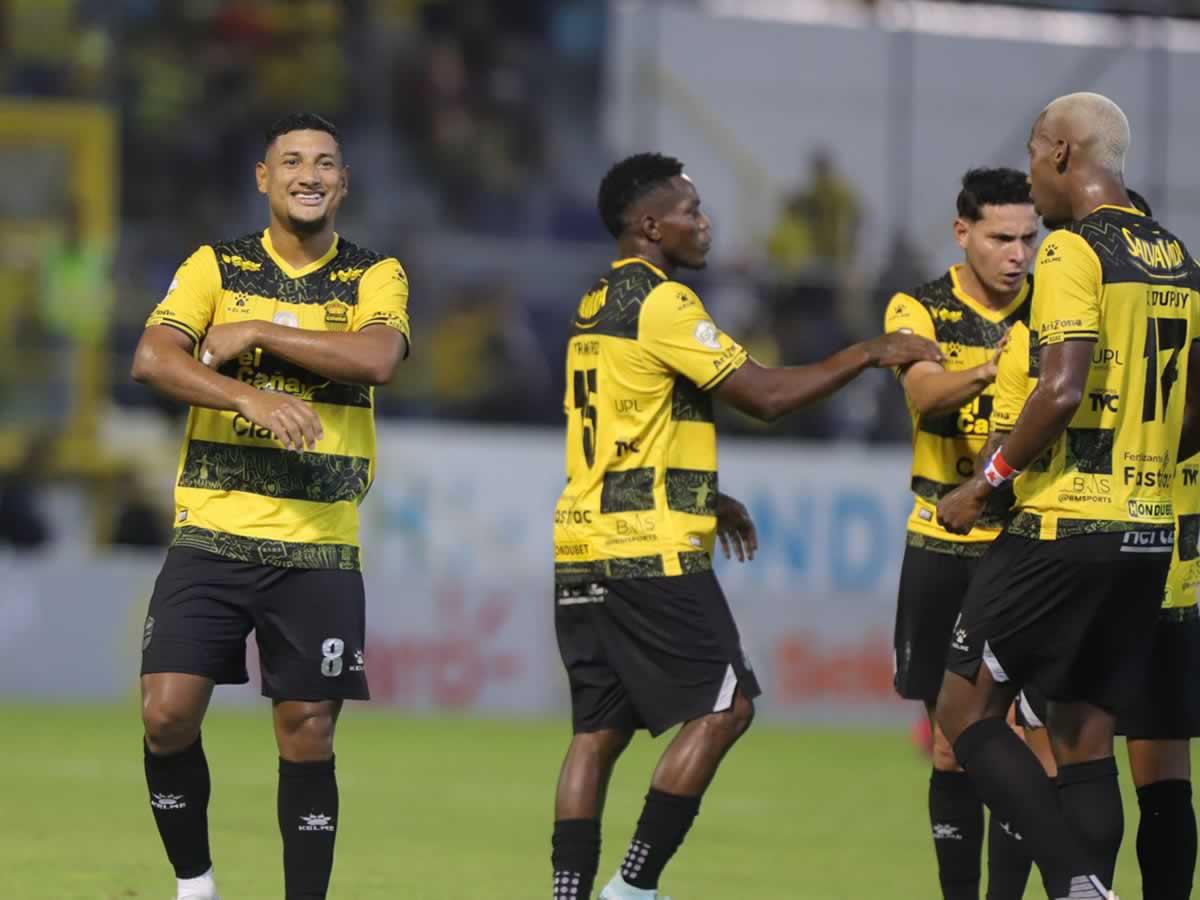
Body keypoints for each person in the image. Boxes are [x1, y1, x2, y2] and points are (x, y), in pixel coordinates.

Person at [550, 152, 941, 900]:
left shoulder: (595, 301)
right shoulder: (663, 303)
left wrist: (707, 492)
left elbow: (635, 419)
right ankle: (631, 890)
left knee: (597, 733)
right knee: (728, 706)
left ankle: (568, 894)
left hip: (581, 542)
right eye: (691, 211)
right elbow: (763, 394)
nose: (706, 224)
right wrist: (867, 351)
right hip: (648, 548)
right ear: (649, 224)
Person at [130, 112, 411, 900]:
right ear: (264, 177)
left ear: (344, 182)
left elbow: (380, 357)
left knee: (308, 731)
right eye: (291, 161)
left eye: (325, 162)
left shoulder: (374, 275)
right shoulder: (214, 265)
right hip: (212, 531)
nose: (309, 174)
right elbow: (152, 358)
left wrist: (256, 331)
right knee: (166, 714)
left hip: (319, 542)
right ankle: (196, 886)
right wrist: (243, 397)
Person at [933, 92, 1200, 900]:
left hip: (1067, 522)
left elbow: (1058, 391)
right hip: (1151, 533)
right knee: (1085, 734)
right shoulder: (1177, 256)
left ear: (1057, 153)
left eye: (1029, 158)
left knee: (962, 710)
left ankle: (1081, 883)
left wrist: (985, 484)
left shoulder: (1072, 252)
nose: (1028, 180)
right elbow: (1193, 415)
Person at [884, 167, 1040, 900]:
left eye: (1028, 238)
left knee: (1017, 743)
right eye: (1001, 237)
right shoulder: (919, 306)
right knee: (949, 748)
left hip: (1026, 545)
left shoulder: (1055, 304)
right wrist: (1000, 366)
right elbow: (922, 391)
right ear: (962, 233)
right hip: (941, 543)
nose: (1018, 254)